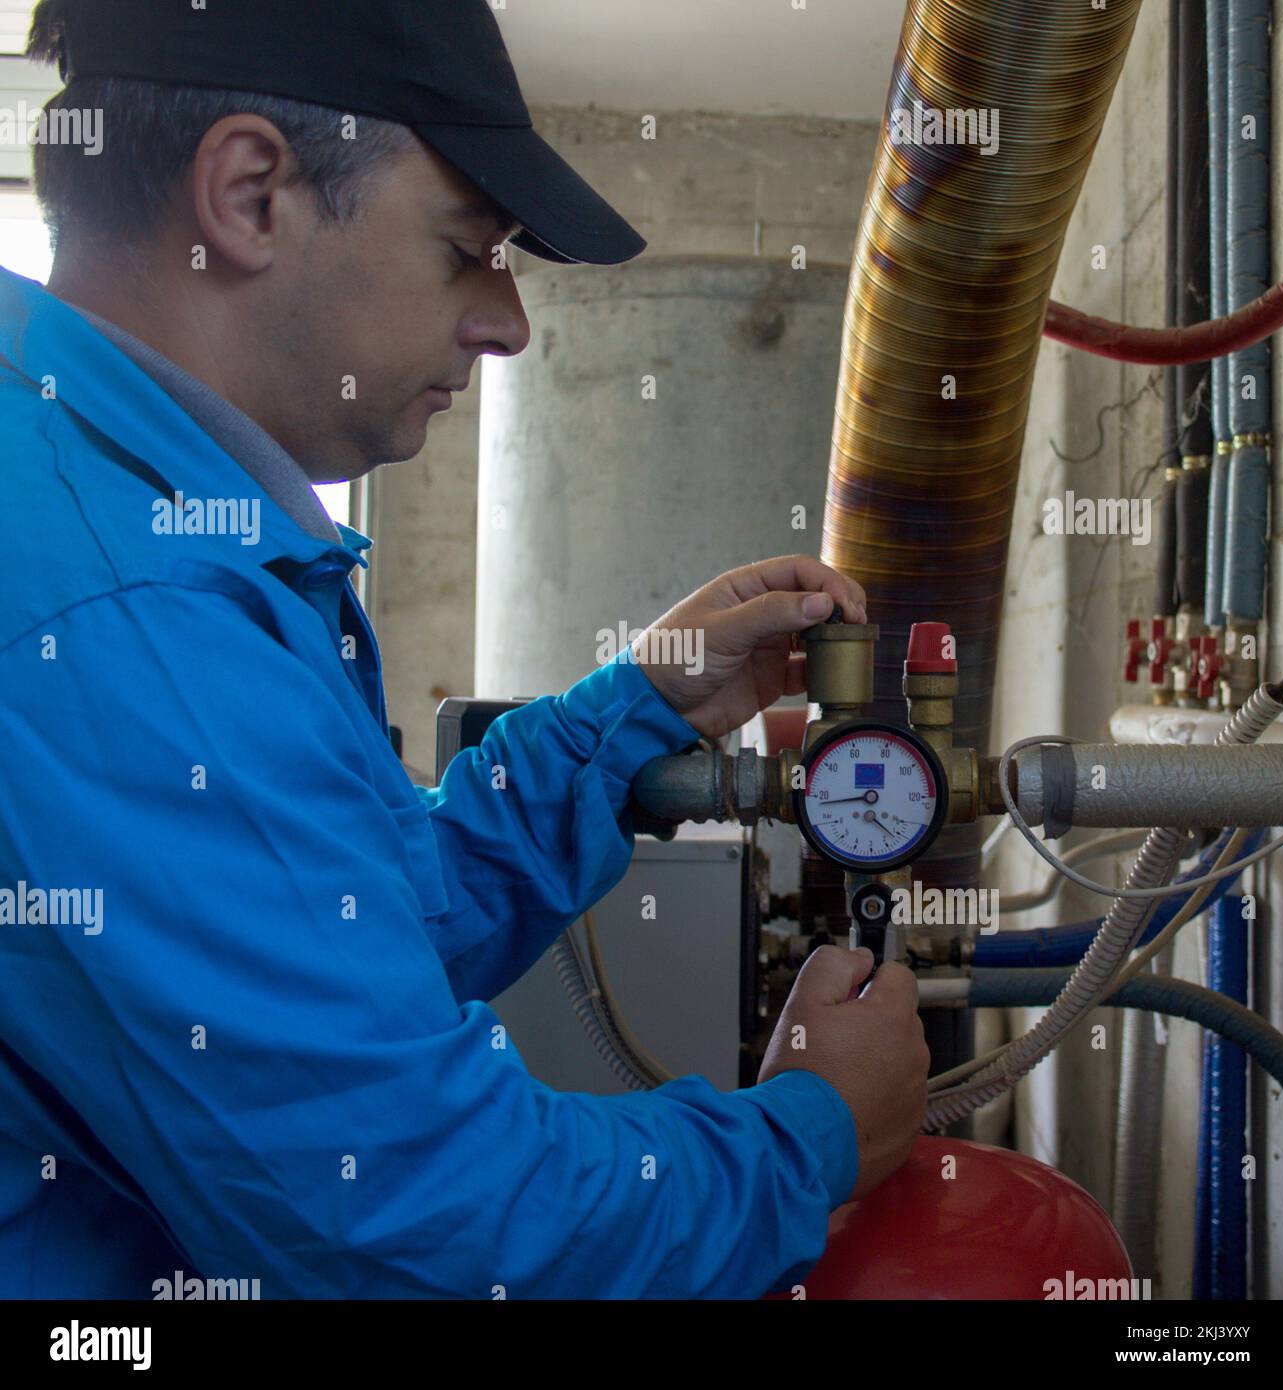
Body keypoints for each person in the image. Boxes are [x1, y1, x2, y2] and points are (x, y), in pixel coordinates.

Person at [0, 0, 928, 1298]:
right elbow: (416, 1226)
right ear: (252, 195)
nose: (509, 323)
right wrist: (812, 1132)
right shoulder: (121, 617)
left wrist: (636, 713)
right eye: (466, 251)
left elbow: (349, 920)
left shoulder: (108, 498)